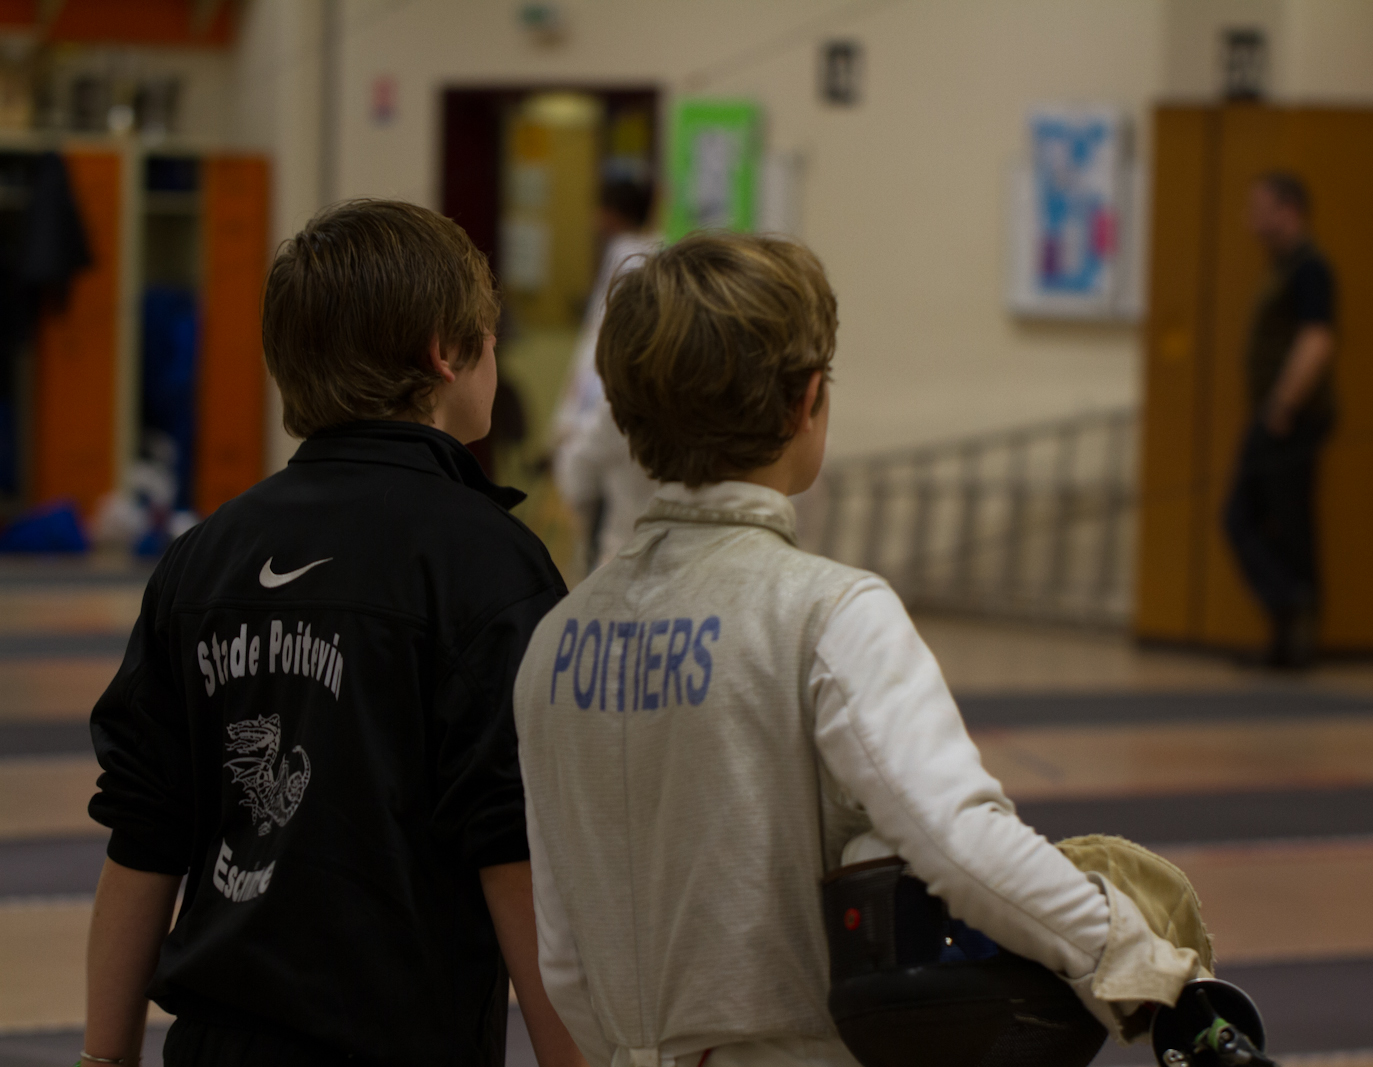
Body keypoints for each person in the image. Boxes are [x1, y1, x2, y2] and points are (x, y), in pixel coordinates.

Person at [512, 233, 1204, 1067]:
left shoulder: (553, 642)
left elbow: (564, 961)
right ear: (806, 400)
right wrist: (1149, 965)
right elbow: (962, 845)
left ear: (625, 416)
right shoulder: (831, 613)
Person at [84, 200, 585, 1067]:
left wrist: (102, 1058)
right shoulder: (488, 564)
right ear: (446, 352)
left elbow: (142, 834)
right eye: (492, 336)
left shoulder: (201, 559)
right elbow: (517, 856)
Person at [1225, 171, 1337, 669]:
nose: (1250, 220)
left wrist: (1284, 404)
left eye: (1260, 209)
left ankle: (1295, 626)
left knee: (1281, 524)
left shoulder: (1310, 268)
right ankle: (1285, 623)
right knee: (1249, 520)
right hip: (1273, 415)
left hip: (1287, 419)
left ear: (1288, 211)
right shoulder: (1281, 267)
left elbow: (1317, 339)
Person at [553, 177, 660, 571]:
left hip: (620, 551)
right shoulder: (657, 252)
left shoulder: (626, 255)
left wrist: (566, 421)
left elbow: (596, 340)